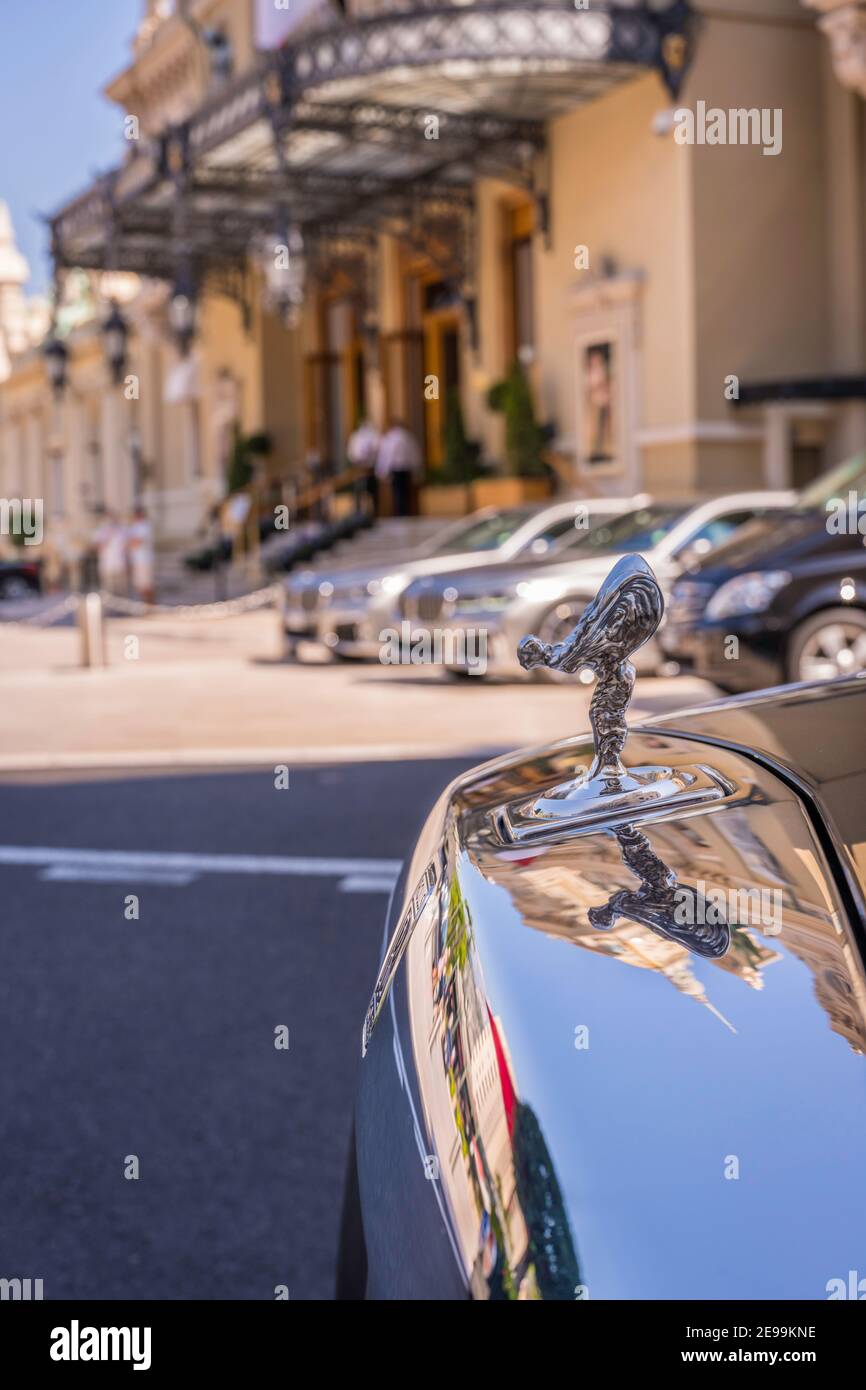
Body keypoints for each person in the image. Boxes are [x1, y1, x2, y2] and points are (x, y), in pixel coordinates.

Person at [376, 419, 421, 518]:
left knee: (397, 492)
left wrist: (382, 471)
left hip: (395, 468)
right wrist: (416, 468)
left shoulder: (390, 438)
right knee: (405, 491)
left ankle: (400, 512)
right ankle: (405, 512)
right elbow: (415, 454)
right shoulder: (408, 437)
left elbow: (386, 456)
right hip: (406, 468)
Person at [346, 416, 381, 516]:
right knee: (359, 489)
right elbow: (351, 452)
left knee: (371, 490)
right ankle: (358, 511)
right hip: (359, 467)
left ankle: (373, 511)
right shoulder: (356, 436)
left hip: (370, 468)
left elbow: (376, 449)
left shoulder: (373, 435)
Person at [93, 509, 127, 595]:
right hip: (107, 565)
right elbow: (96, 547)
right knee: (108, 591)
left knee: (122, 590)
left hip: (120, 564)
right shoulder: (100, 531)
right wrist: (107, 537)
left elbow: (126, 546)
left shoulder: (121, 530)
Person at [127, 504, 155, 605]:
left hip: (144, 560)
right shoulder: (134, 527)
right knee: (140, 585)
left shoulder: (145, 525)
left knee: (147, 585)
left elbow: (137, 542)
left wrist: (130, 542)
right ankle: (145, 605)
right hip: (137, 560)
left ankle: (150, 606)